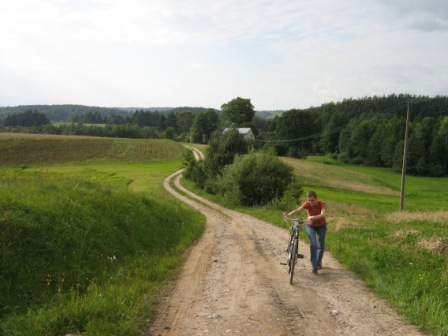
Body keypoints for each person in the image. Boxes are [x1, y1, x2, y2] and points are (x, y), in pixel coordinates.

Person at [285, 190, 327, 275]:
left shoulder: (322, 203)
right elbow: (298, 210)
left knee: (320, 244)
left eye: (312, 200)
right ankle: (314, 267)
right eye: (309, 200)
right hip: (310, 226)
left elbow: (323, 214)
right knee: (314, 244)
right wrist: (288, 215)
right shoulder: (307, 204)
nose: (310, 202)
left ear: (316, 199)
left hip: (321, 226)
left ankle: (318, 263)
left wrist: (313, 217)